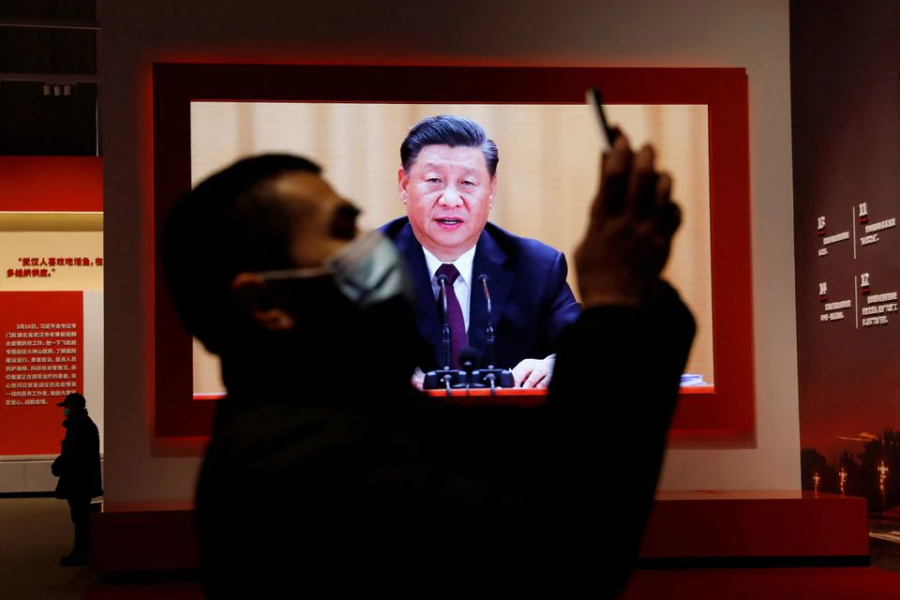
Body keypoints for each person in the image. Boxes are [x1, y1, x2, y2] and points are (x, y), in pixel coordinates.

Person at [161, 130, 693, 597]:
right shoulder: (294, 466)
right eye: (344, 233)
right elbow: (572, 552)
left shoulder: (345, 411)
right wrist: (618, 302)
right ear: (264, 305)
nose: (373, 252)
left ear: (490, 190)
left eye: (468, 182)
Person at [381, 115, 582, 388]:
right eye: (434, 180)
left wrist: (555, 365)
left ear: (491, 190)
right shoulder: (365, 267)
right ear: (404, 186)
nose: (450, 200)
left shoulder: (537, 267)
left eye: (467, 183)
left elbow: (591, 352)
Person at [51, 392, 102, 567]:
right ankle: (82, 551)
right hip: (81, 480)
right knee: (80, 517)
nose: (65, 410)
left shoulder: (80, 427)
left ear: (74, 407)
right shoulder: (83, 426)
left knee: (80, 518)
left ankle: (81, 553)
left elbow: (76, 456)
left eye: (67, 406)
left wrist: (60, 465)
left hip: (79, 481)